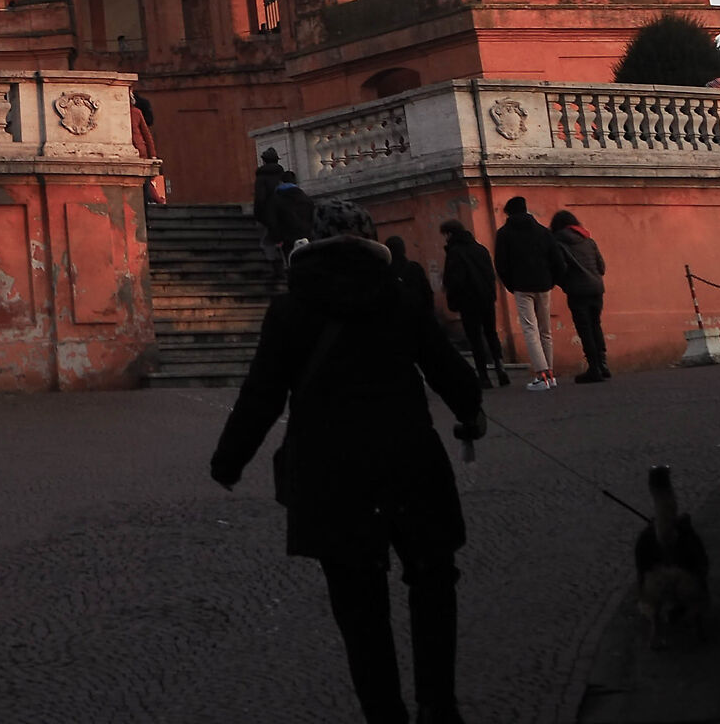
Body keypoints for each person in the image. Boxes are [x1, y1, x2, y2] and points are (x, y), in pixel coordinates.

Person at [212, 198, 487, 724]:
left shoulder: (291, 309)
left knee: (359, 606)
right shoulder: (400, 298)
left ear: (315, 243)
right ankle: (438, 706)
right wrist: (470, 411)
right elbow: (447, 368)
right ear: (371, 240)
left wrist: (230, 460)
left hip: (330, 472)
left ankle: (385, 715)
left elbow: (262, 394)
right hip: (408, 460)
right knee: (432, 581)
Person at [494, 196, 565, 391]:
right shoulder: (543, 232)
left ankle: (541, 374)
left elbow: (501, 265)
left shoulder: (504, 234)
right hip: (544, 285)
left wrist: (512, 285)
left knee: (530, 329)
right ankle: (550, 373)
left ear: (509, 212)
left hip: (521, 287)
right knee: (545, 330)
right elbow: (557, 260)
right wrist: (552, 281)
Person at [437, 220, 505, 388]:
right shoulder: (481, 249)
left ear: (449, 234)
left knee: (475, 339)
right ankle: (500, 369)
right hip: (487, 298)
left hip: (468, 301)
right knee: (491, 334)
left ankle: (483, 376)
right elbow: (490, 275)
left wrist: (453, 298)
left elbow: (455, 280)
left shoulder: (455, 252)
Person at [549, 209, 610, 383]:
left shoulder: (558, 243)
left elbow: (560, 267)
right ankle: (603, 364)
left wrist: (563, 283)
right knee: (595, 325)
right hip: (597, 288)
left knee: (585, 329)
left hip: (577, 290)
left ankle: (593, 368)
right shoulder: (589, 240)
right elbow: (602, 267)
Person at [386, 235, 435, 319]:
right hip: (420, 316)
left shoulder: (386, 272)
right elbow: (427, 292)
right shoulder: (415, 267)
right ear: (403, 249)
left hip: (400, 319)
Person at [254, 147, 289, 234]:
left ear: (264, 161)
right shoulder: (283, 175)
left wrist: (258, 217)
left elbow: (259, 199)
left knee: (268, 242)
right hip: (285, 214)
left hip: (268, 214)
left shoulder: (261, 178)